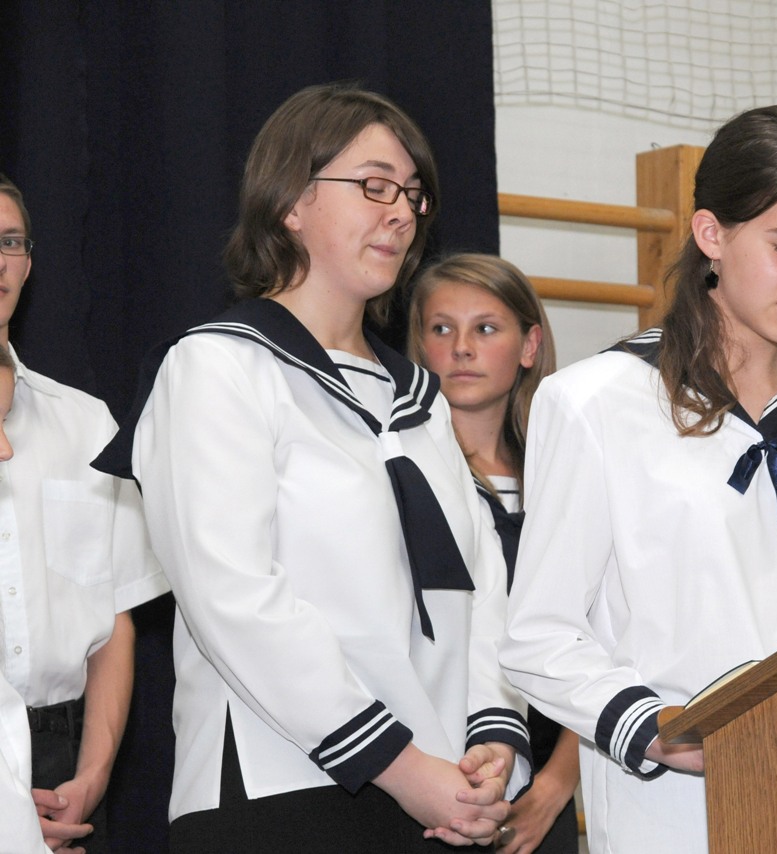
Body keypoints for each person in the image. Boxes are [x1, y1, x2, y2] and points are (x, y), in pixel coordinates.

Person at [92, 83, 529, 852]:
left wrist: (492, 735)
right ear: (292, 201)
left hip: (435, 793)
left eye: (413, 194)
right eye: (374, 186)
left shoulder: (419, 399)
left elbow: (482, 581)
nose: (402, 212)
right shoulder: (218, 366)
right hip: (280, 788)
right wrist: (398, 764)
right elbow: (233, 597)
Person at [498, 105, 777, 853]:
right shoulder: (597, 401)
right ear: (711, 234)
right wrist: (654, 730)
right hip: (674, 813)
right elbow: (538, 636)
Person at [0, 174, 169, 853]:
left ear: (28, 264)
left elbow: (115, 617)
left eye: (9, 242)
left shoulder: (86, 424)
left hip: (61, 762)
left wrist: (92, 778)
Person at [408, 254, 579, 854]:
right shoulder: (397, 477)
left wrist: (554, 787)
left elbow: (608, 642)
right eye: (441, 328)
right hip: (427, 782)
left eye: (485, 328)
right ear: (419, 345)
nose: (461, 348)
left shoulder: (566, 480)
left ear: (529, 346)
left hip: (540, 793)